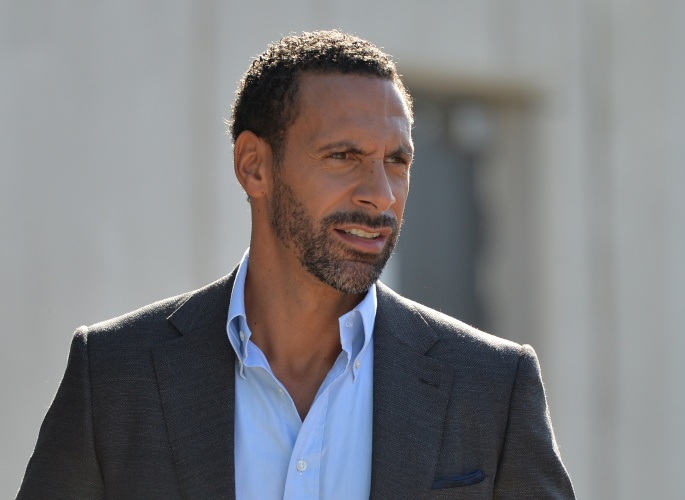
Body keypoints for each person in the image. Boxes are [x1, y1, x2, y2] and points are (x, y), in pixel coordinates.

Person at [18, 30, 574, 499]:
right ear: (254, 166)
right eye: (343, 156)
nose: (381, 194)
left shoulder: (492, 388)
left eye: (396, 161)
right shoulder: (115, 376)